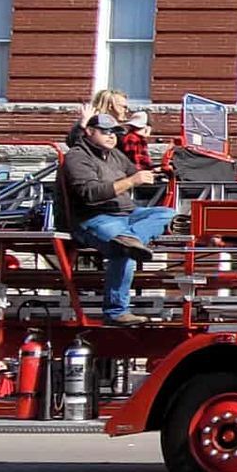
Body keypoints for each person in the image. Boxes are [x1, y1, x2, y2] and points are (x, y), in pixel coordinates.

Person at [62, 112, 174, 326]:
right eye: (105, 131)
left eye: (114, 132)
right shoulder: (77, 157)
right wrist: (132, 180)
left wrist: (159, 172)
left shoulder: (115, 156)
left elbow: (137, 172)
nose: (111, 136)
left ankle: (130, 240)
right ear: (90, 132)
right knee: (124, 254)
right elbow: (90, 193)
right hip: (95, 217)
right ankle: (116, 311)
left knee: (166, 213)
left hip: (126, 214)